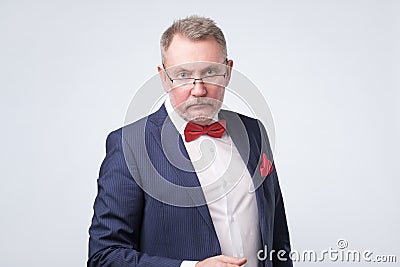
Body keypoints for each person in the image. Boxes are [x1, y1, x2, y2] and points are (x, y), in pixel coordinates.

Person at [88, 15, 292, 267]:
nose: (198, 89)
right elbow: (105, 256)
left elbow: (277, 238)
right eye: (183, 75)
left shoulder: (254, 132)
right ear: (163, 77)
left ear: (227, 72)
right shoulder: (129, 145)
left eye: (210, 72)